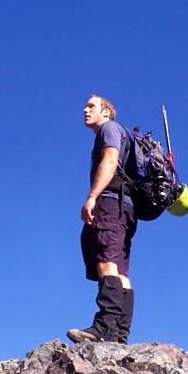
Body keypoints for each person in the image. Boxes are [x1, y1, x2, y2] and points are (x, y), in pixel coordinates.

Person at [67, 95, 137, 344]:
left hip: (110, 202)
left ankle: (104, 328)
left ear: (106, 112)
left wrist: (92, 197)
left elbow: (109, 160)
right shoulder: (124, 134)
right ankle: (119, 335)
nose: (85, 110)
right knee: (120, 270)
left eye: (91, 106)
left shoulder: (109, 129)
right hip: (127, 207)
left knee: (106, 262)